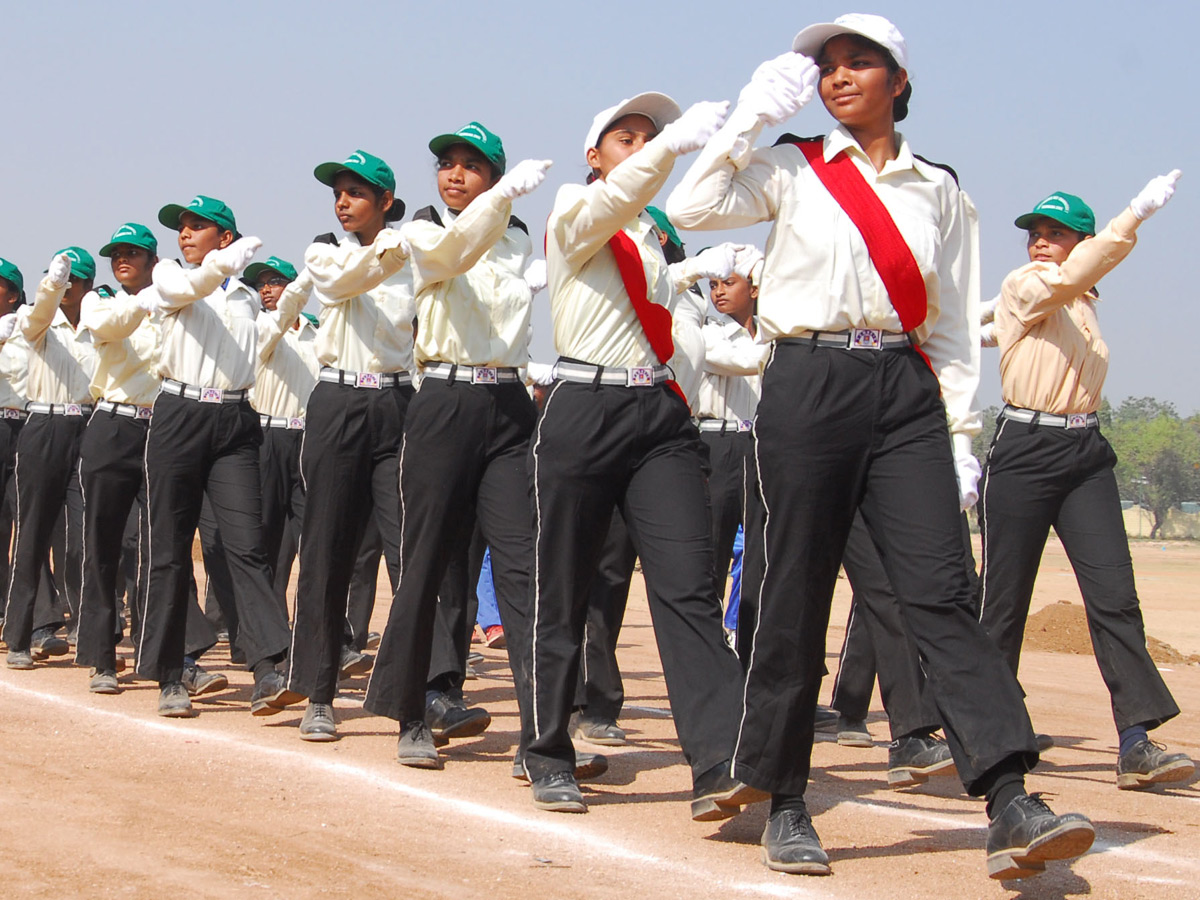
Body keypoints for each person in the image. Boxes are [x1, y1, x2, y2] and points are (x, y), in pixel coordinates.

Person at [667, 13, 1094, 879]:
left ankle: (1010, 795)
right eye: (827, 67)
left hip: (902, 392)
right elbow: (689, 206)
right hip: (807, 381)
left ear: (899, 81)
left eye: (860, 64)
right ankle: (785, 797)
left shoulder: (939, 188)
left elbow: (944, 327)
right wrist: (752, 114)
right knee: (794, 589)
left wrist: (959, 435)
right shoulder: (792, 165)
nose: (838, 77)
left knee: (940, 589)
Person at [528, 90, 760, 820]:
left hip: (658, 413)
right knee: (564, 586)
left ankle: (719, 760)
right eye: (624, 137)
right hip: (584, 406)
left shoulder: (656, 236)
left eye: (649, 136)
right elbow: (618, 201)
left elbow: (684, 331)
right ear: (595, 156)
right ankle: (547, 751)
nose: (641, 145)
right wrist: (671, 147)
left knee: (687, 589)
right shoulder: (575, 206)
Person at [978, 175, 1193, 791]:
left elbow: (1060, 295)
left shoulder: (1083, 304)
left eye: (1056, 234)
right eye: (1035, 234)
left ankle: (1135, 740)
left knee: (1114, 598)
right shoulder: (1027, 283)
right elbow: (1052, 287)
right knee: (1004, 601)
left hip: (1086, 451)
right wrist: (1134, 215)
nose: (1040, 243)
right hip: (1025, 449)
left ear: (1080, 241)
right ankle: (990, 735)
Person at [363, 122, 552, 765]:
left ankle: (543, 738)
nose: (454, 174)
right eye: (447, 163)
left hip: (508, 403)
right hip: (443, 399)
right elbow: (450, 258)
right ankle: (413, 710)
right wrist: (499, 203)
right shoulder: (422, 226)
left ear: (494, 176)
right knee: (426, 560)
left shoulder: (520, 237)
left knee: (525, 566)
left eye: (472, 166)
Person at [273, 151, 414, 737]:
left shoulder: (415, 255)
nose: (342, 201)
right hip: (335, 403)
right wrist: (393, 249)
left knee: (409, 551)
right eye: (338, 192)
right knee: (326, 546)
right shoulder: (324, 251)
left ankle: (415, 700)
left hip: (398, 403)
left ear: (385, 201)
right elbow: (340, 282)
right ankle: (320, 691)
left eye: (357, 192)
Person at [138, 195, 292, 717]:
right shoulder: (168, 276)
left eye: (198, 227)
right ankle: (172, 671)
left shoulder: (247, 297)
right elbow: (191, 285)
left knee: (246, 546)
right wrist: (218, 267)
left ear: (225, 236)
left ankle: (268, 666)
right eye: (181, 227)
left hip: (235, 420)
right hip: (179, 414)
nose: (184, 234)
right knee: (171, 547)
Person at [74, 224, 163, 693]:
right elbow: (111, 327)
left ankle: (164, 655)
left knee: (158, 545)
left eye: (133, 253)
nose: (122, 260)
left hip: (162, 428)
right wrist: (149, 302)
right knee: (102, 543)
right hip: (112, 426)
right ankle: (102, 654)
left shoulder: (172, 297)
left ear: (152, 259)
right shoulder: (100, 301)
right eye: (115, 254)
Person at [2, 248, 96, 668]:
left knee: (85, 533)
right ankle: (21, 633)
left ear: (89, 286)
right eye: (60, 281)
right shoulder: (36, 321)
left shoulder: (101, 325)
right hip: (45, 424)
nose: (65, 287)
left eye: (73, 281)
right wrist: (53, 284)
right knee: (33, 531)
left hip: (89, 427)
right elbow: (39, 311)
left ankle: (84, 626)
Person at [245, 255, 318, 614]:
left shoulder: (318, 333)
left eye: (274, 281)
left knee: (314, 538)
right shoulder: (259, 328)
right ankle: (269, 631)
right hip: (267, 437)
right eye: (261, 284)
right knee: (267, 538)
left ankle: (314, 628)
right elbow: (279, 323)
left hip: (307, 441)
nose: (266, 290)